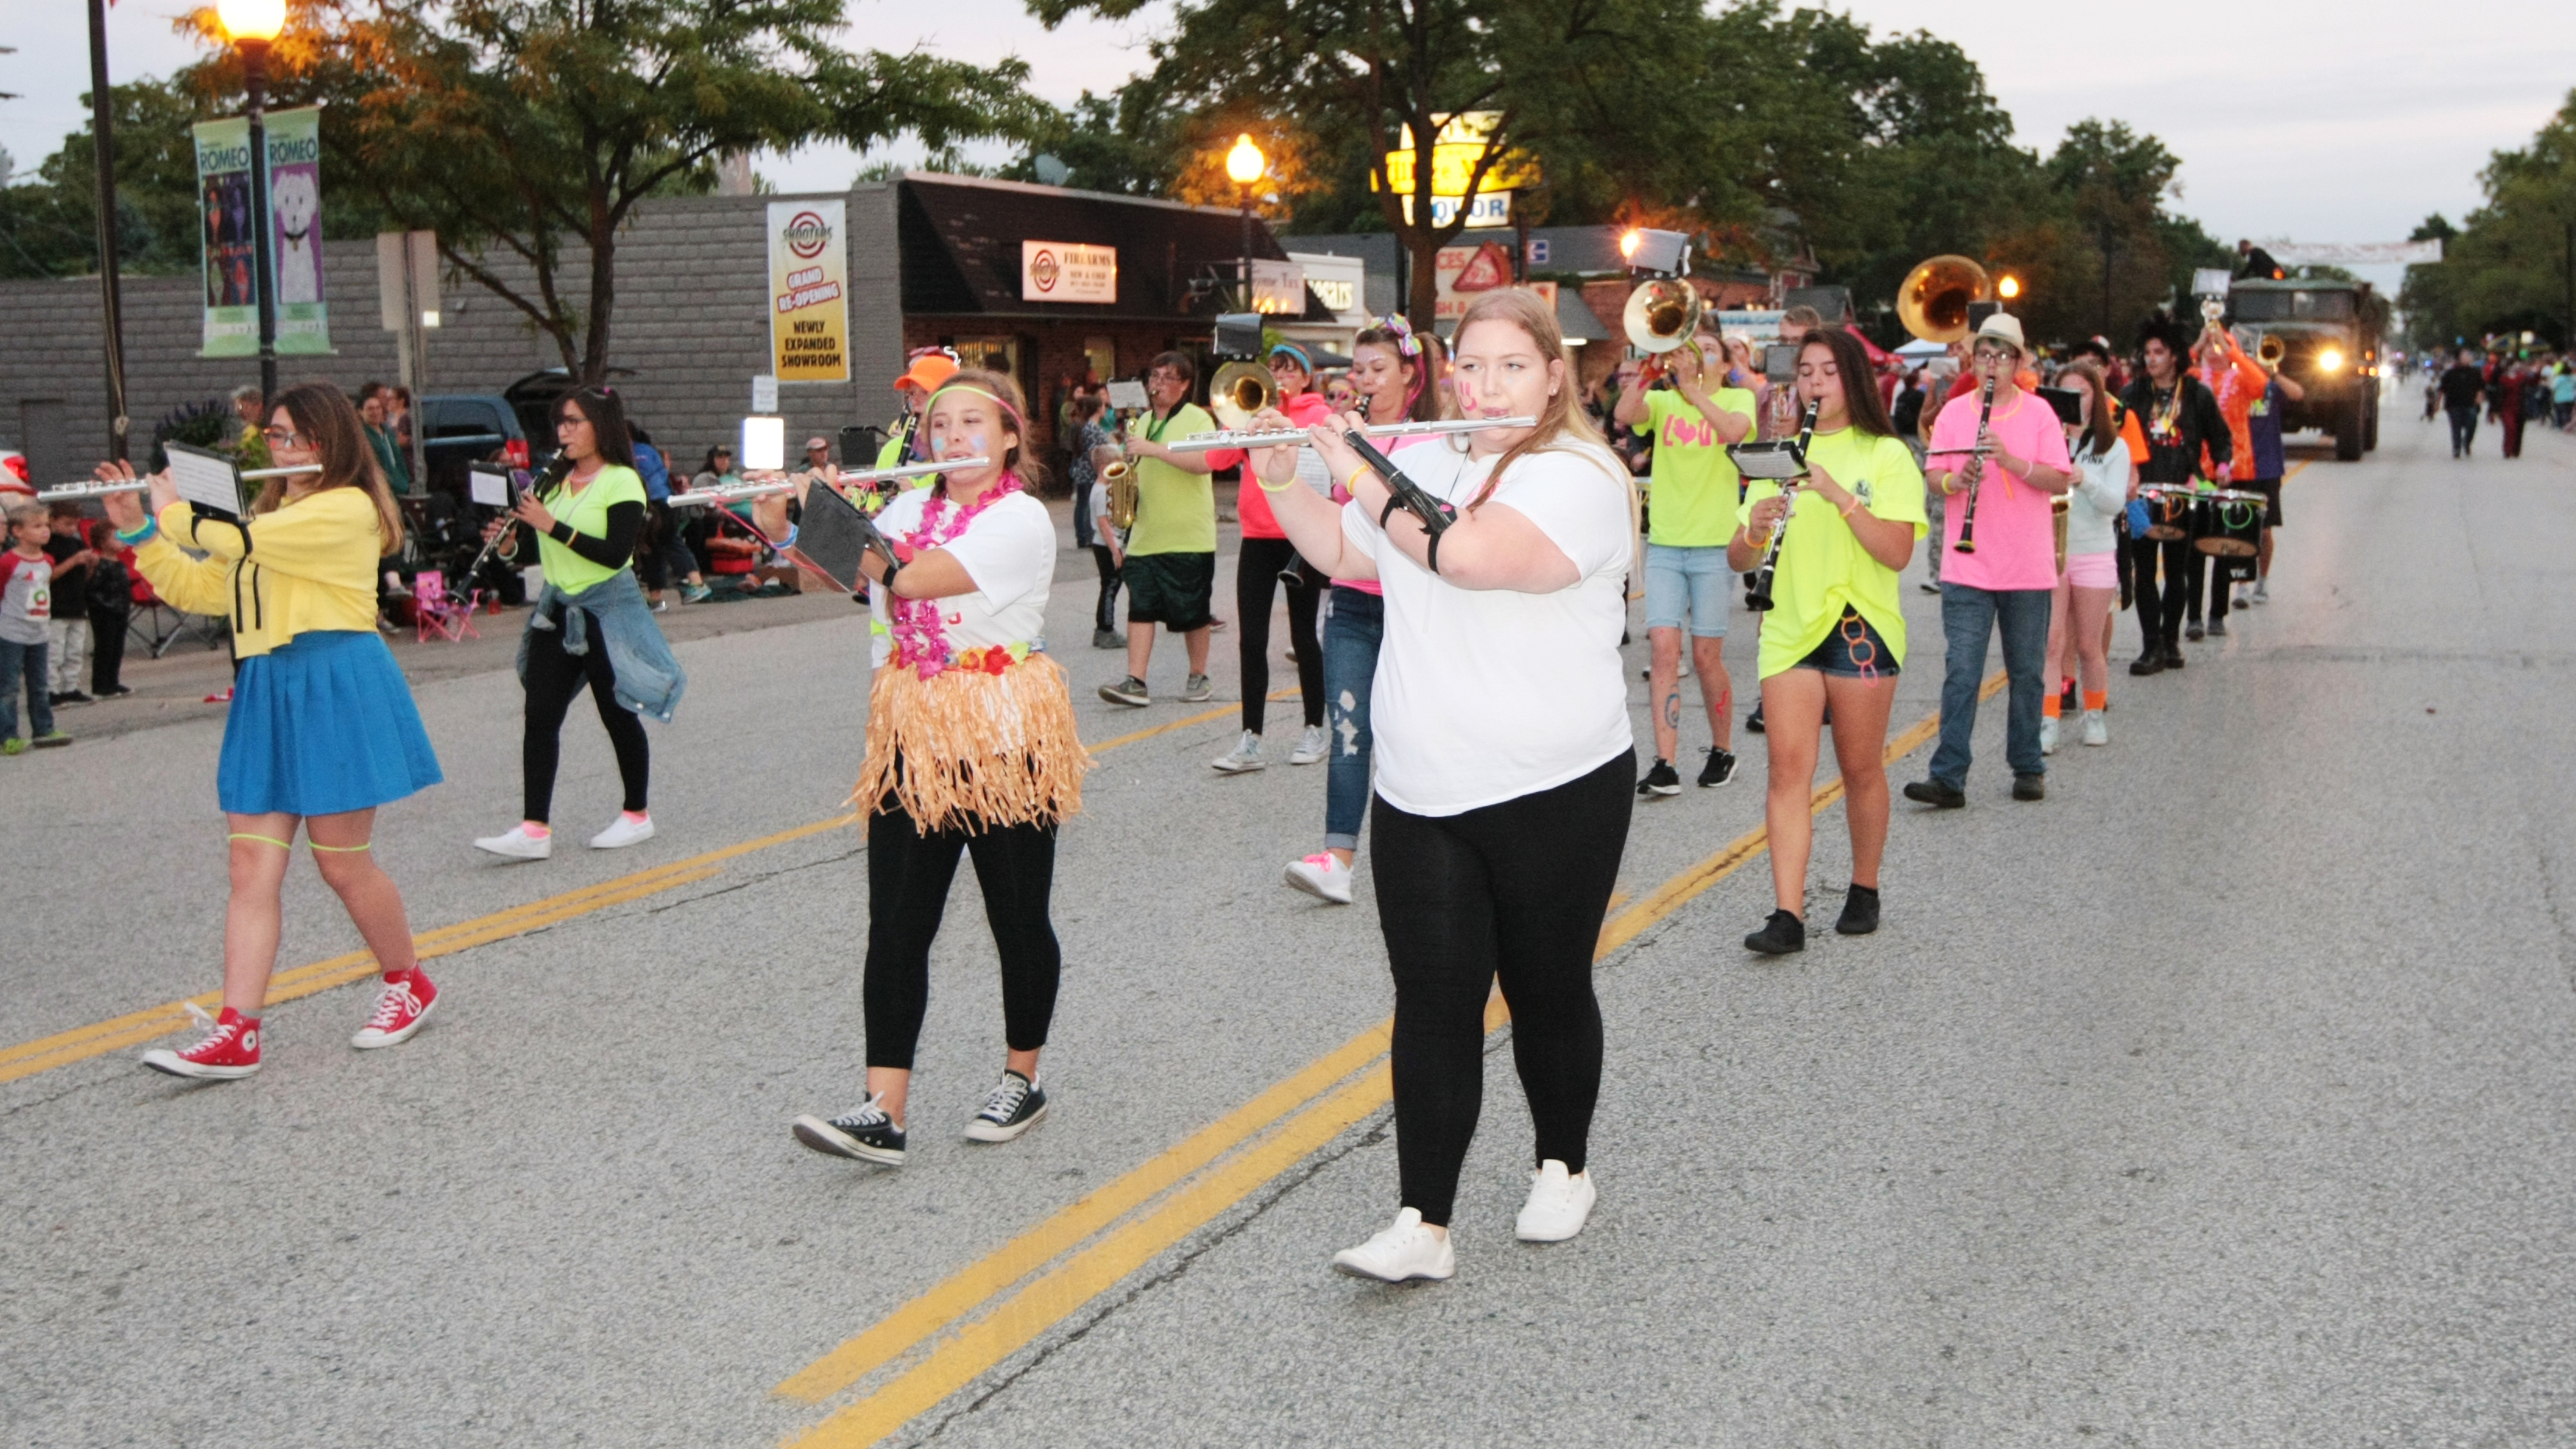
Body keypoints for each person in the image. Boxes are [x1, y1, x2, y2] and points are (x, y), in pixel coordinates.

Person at [1251, 288, 1637, 1281]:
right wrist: (1283, 468)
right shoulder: (1422, 458)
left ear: (1555, 373)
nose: (1490, 385)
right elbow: (1345, 549)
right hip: (1421, 784)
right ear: (1448, 372)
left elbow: (1464, 555)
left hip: (1556, 780)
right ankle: (1422, 1221)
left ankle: (1564, 1162)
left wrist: (1354, 461)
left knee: (1546, 986)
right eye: (1474, 365)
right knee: (1431, 999)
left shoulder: (1580, 473)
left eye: (1515, 365)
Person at [94, 383, 444, 1079]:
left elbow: (234, 539)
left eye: (286, 437)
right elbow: (204, 591)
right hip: (267, 684)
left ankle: (409, 981)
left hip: (335, 679)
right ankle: (237, 1029)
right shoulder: (267, 511)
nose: (275, 449)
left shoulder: (346, 509)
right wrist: (138, 528)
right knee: (249, 865)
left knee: (341, 862)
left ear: (325, 441)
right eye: (272, 439)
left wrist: (173, 511)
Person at [791, 369, 1090, 1167]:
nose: (954, 436)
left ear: (1009, 437)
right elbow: (825, 576)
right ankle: (883, 1108)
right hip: (911, 733)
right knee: (896, 922)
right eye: (940, 423)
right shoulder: (904, 508)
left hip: (1000, 732)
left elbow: (913, 577)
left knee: (1016, 916)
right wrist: (795, 522)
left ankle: (1021, 1075)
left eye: (971, 422)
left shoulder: (1022, 518)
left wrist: (831, 521)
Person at [1731, 327, 1925, 953]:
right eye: (1805, 372)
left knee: (1860, 767)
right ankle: (1788, 914)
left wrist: (1838, 494)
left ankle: (1863, 885)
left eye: (1827, 372)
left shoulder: (1886, 456)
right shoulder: (1777, 454)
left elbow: (1896, 552)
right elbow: (1738, 557)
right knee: (1788, 772)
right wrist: (1757, 527)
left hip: (1858, 624)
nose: (1813, 383)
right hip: (1788, 623)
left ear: (1854, 380)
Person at [472, 387, 685, 861]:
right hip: (558, 607)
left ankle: (637, 815)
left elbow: (614, 553)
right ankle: (534, 828)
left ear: (599, 426)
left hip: (607, 608)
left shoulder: (622, 481)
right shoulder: (552, 482)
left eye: (573, 422)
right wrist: (508, 547)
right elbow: (536, 548)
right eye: (560, 424)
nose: (563, 433)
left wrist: (551, 525)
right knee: (540, 716)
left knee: (617, 713)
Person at [1284, 315, 1442, 905]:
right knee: (1350, 730)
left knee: (1414, 733)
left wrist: (1356, 450)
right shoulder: (1344, 430)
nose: (1364, 379)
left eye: (1378, 369)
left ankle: (1430, 854)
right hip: (1351, 602)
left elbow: (1407, 513)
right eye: (1358, 368)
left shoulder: (1433, 438)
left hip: (1411, 606)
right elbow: (1335, 516)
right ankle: (1338, 858)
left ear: (1410, 373)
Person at [1904, 312, 2072, 808]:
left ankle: (2027, 764)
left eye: (2002, 355)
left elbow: (2059, 479)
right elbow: (1934, 476)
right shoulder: (1955, 412)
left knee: (2026, 671)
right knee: (1962, 670)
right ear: (1973, 360)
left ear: (2018, 361)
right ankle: (1948, 776)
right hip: (1967, 563)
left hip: (2026, 564)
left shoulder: (2039, 413)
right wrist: (1958, 482)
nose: (1991, 363)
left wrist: (2011, 461)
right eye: (1984, 354)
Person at [1615, 334, 1752, 797]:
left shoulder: (1738, 397)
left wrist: (1692, 388)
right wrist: (1652, 372)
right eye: (1690, 346)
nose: (1696, 353)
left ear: (1726, 362)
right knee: (1663, 653)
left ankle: (1723, 749)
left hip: (1715, 545)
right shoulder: (1664, 400)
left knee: (1706, 656)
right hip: (1668, 544)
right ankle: (1665, 764)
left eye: (1708, 347)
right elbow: (1624, 415)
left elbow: (1733, 432)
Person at [1208, 342, 1332, 773]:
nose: (1279, 376)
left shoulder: (1316, 413)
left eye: (1288, 369)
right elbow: (1216, 458)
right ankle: (1251, 738)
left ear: (1305, 376)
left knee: (1303, 636)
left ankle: (1315, 727)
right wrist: (1236, 421)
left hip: (1301, 534)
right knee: (1252, 639)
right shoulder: (1251, 411)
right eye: (1273, 368)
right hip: (1257, 535)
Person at [1098, 352, 1218, 708]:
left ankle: (1198, 675)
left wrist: (1155, 450)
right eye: (1154, 376)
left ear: (1184, 385)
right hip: (1145, 534)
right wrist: (1119, 478)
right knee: (1141, 608)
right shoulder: (1141, 421)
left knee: (1193, 610)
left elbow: (1204, 463)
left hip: (1187, 533)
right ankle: (1136, 681)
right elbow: (1133, 466)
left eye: (1168, 377)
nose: (1158, 384)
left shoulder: (1199, 418)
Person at [2119, 316, 2231, 674]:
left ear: (2174, 356)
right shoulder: (2132, 394)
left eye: (2159, 352)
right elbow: (2113, 436)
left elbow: (2221, 439)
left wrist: (2222, 468)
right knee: (2144, 572)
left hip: (2184, 492)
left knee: (2178, 571)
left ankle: (2171, 642)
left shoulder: (2197, 394)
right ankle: (2150, 646)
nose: (2151, 359)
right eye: (2147, 352)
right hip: (2140, 493)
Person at [2040, 362, 2134, 752]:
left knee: (2089, 646)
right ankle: (2048, 721)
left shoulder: (2112, 445)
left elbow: (2115, 504)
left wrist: (2086, 478)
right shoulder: (2046, 438)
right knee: (2051, 644)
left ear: (2096, 396)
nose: (2075, 401)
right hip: (2050, 552)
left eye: (2083, 392)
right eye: (2067, 393)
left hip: (2094, 551)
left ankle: (2094, 715)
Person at [2184, 323, 2268, 641]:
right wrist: (2199, 341)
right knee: (2194, 549)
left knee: (2224, 545)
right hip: (2198, 473)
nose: (2214, 352)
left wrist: (2231, 349)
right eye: (2211, 347)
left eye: (2221, 347)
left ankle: (2217, 614)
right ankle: (2193, 616)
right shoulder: (2192, 381)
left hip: (2235, 471)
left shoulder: (2241, 379)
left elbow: (2260, 383)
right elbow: (2174, 368)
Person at [2233, 347, 2305, 611]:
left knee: (2264, 530)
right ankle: (2241, 582)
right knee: (2240, 528)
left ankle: (2262, 580)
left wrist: (2274, 374)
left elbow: (2298, 394)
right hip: (2241, 467)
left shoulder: (2271, 390)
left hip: (2269, 467)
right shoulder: (2236, 388)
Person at [1, 502, 74, 753]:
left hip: (39, 632)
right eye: (37, 526)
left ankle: (44, 729)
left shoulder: (48, 560)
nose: (45, 531)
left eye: (46, 525)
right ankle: (7, 736)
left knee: (39, 684)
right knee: (8, 686)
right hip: (10, 633)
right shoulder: (9, 562)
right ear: (17, 531)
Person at [1066, 391, 1124, 649]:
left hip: (1108, 543)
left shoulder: (1105, 489)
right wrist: (1115, 549)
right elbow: (1102, 521)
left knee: (1113, 585)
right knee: (1110, 587)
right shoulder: (1101, 491)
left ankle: (1106, 628)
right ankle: (1105, 629)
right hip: (1107, 545)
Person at [42, 503, 97, 706]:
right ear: (53, 521)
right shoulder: (48, 545)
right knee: (54, 652)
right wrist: (74, 561)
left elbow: (85, 577)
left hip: (77, 604)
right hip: (56, 607)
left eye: (75, 525)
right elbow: (49, 575)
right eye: (67, 524)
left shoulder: (76, 543)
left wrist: (91, 564)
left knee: (74, 651)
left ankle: (71, 687)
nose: (72, 529)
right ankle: (51, 690)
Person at [877, 348, 961, 468]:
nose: (915, 401)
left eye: (925, 393)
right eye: (912, 393)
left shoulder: (964, 448)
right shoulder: (892, 449)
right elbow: (876, 487)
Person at [86, 525, 135, 699]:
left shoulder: (120, 564)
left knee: (117, 648)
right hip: (104, 612)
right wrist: (106, 605)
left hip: (121, 610)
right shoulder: (100, 564)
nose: (122, 541)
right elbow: (93, 589)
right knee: (104, 648)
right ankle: (100, 685)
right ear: (103, 542)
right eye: (116, 538)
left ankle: (113, 681)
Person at [2438, 348, 2486, 458]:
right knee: (2456, 426)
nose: (2468, 358)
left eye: (2468, 356)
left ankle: (2467, 442)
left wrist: (2479, 398)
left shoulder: (2475, 372)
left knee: (2472, 424)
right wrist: (2437, 404)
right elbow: (2442, 389)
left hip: (2471, 404)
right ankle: (2457, 447)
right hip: (2454, 404)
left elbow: (2481, 387)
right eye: (2465, 356)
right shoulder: (2450, 373)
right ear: (2459, 358)